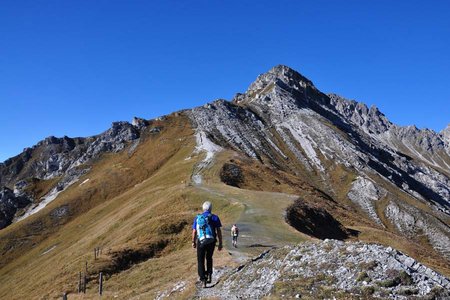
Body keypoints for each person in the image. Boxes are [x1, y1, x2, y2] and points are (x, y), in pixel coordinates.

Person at [192, 201, 223, 288]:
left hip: (200, 242)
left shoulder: (198, 218)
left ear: (203, 208)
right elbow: (218, 231)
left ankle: (203, 279)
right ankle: (209, 274)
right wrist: (220, 243)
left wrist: (193, 242)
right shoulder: (215, 217)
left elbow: (194, 231)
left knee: (200, 260)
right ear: (211, 209)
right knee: (209, 257)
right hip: (211, 242)